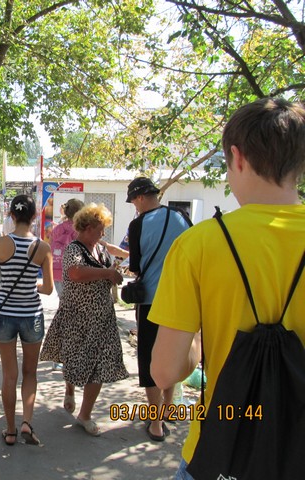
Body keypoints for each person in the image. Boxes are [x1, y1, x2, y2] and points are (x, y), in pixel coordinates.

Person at [149, 98, 305, 478]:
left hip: (222, 450)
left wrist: (197, 342)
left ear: (237, 157)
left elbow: (165, 372)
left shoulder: (199, 245)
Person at [40, 204, 128, 435]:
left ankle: (85, 415)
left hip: (102, 319)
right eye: (100, 229)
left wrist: (116, 270)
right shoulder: (74, 249)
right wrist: (107, 273)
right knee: (73, 360)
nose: (102, 233)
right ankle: (69, 389)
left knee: (98, 367)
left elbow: (109, 261)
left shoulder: (100, 247)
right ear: (88, 228)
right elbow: (76, 272)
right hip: (76, 318)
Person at [0, 194, 53, 446]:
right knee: (30, 373)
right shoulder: (43, 248)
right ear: (34, 217)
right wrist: (32, 285)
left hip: (5, 316)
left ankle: (10, 430)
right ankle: (26, 423)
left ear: (11, 215)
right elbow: (48, 289)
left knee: (9, 375)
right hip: (32, 315)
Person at [126, 176, 191, 442]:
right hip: (181, 300)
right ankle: (168, 408)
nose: (134, 206)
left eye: (133, 202)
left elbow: (135, 267)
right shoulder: (181, 216)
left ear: (141, 198)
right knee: (173, 355)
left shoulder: (138, 225)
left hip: (151, 302)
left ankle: (155, 423)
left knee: (149, 359)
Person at [51, 198, 85, 297]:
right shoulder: (81, 230)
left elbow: (50, 247)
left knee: (63, 300)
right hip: (76, 272)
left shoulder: (57, 229)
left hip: (57, 271)